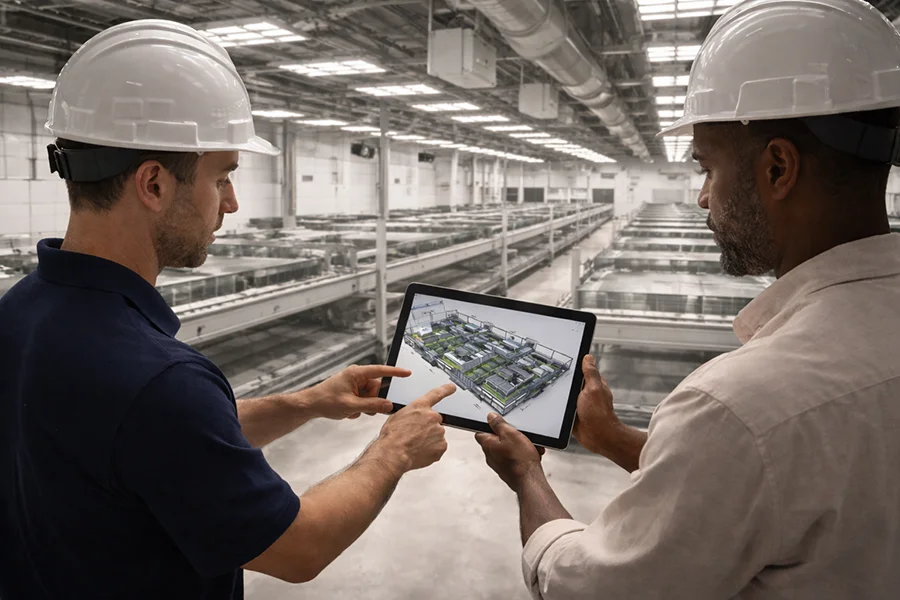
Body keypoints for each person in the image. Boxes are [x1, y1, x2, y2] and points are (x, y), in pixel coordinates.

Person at [0, 19, 456, 599]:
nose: (233, 203)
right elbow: (300, 546)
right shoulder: (157, 381)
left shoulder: (21, 310)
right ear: (153, 184)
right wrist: (393, 451)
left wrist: (308, 402)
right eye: (222, 178)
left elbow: (158, 444)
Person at [475, 0, 900, 598]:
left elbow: (587, 588)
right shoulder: (765, 417)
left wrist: (526, 473)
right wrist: (611, 437)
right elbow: (755, 480)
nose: (702, 197)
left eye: (707, 168)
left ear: (778, 168)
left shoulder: (741, 404)